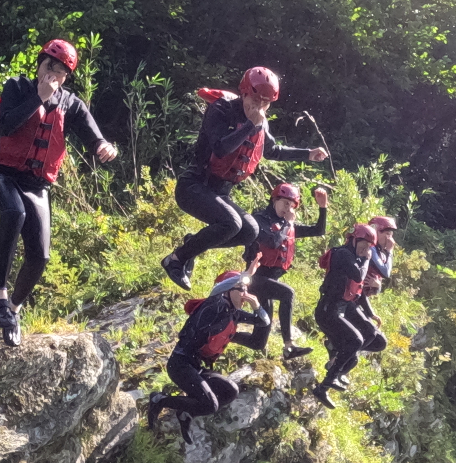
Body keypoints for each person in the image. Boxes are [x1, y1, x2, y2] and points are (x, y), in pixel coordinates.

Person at [0, 39, 117, 345]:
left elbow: (94, 137)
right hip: (0, 170)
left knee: (40, 255)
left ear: (66, 77)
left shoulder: (72, 104)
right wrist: (38, 98)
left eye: (60, 71)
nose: (52, 74)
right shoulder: (17, 87)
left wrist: (104, 146)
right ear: (39, 64)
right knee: (13, 213)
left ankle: (12, 310)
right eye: (48, 66)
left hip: (36, 183)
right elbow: (6, 126)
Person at [160, 67, 328, 290]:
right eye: (257, 99)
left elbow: (272, 150)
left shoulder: (261, 120)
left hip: (220, 191)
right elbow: (220, 148)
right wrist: (250, 125)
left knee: (250, 231)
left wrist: (307, 153)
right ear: (245, 92)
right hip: (194, 186)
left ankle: (192, 245)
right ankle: (176, 259)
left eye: (266, 102)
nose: (259, 106)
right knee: (231, 223)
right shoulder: (221, 109)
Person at [147, 266, 270, 444]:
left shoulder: (235, 313)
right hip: (180, 364)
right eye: (240, 290)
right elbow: (217, 288)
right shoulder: (214, 305)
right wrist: (244, 276)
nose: (244, 295)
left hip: (197, 367)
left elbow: (263, 321)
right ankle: (159, 400)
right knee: (210, 404)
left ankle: (186, 411)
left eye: (246, 291)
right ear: (228, 291)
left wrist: (256, 305)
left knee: (230, 391)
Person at [243, 182, 329, 359]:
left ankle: (226, 335)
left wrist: (323, 208)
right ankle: (289, 345)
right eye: (285, 203)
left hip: (268, 283)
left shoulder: (286, 224)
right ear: (274, 200)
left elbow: (318, 230)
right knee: (287, 294)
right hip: (254, 278)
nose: (287, 208)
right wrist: (288, 224)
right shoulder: (259, 219)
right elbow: (273, 241)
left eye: (291, 205)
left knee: (258, 342)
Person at [313, 224, 388, 408]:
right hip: (328, 310)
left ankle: (337, 365)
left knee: (373, 336)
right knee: (355, 341)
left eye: (369, 246)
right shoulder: (343, 254)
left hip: (344, 306)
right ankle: (325, 384)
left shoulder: (358, 256)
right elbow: (357, 275)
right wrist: (366, 259)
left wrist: (370, 314)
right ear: (354, 240)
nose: (366, 249)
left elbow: (358, 291)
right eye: (363, 244)